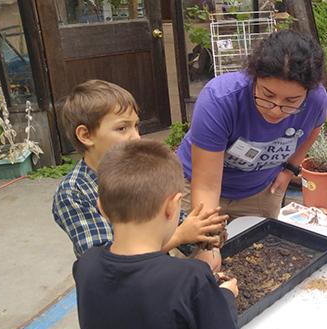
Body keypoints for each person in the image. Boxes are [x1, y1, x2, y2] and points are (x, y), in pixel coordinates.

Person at [74, 140, 242, 329]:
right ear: (173, 206)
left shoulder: (86, 265)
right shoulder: (190, 278)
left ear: (101, 208)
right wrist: (225, 297)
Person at [52, 80, 226, 265]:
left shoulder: (143, 171)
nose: (136, 137)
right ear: (86, 135)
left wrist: (205, 232)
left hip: (155, 274)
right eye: (122, 128)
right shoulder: (73, 193)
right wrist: (180, 236)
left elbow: (180, 223)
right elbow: (106, 264)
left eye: (136, 126)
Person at [176, 29, 327, 222]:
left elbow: (314, 129)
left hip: (260, 191)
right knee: (195, 249)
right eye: (267, 95)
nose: (276, 110)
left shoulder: (316, 101)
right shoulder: (219, 100)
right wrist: (206, 245)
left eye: (291, 100)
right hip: (195, 185)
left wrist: (290, 170)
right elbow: (206, 188)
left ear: (308, 92)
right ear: (254, 77)